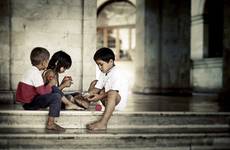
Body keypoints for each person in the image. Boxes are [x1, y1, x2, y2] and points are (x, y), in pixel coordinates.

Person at [16, 47, 65, 131]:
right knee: (56, 96)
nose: (48, 62)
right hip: (29, 104)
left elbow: (39, 90)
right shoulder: (35, 73)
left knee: (53, 91)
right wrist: (50, 84)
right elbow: (42, 92)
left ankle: (67, 103)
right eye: (48, 60)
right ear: (44, 62)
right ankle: (51, 123)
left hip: (27, 102)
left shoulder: (30, 70)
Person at [85, 47, 129, 130]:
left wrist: (99, 97)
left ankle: (103, 123)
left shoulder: (117, 72)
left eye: (101, 64)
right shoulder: (104, 72)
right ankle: (85, 102)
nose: (99, 67)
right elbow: (97, 88)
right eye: (97, 65)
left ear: (111, 62)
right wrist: (88, 94)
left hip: (117, 103)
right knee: (95, 82)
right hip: (107, 100)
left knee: (112, 92)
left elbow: (113, 92)